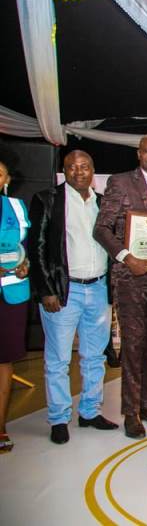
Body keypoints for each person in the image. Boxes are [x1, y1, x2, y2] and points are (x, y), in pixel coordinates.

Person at [93, 134, 147, 439]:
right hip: (130, 275)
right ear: (139, 153)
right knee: (132, 345)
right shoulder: (119, 183)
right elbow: (101, 228)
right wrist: (125, 257)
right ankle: (130, 413)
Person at [28, 150, 118, 445]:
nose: (79, 171)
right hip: (64, 292)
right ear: (64, 171)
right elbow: (37, 248)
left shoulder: (103, 204)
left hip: (99, 288)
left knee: (94, 357)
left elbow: (113, 247)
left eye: (84, 166)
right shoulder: (48, 200)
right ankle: (58, 418)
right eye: (72, 167)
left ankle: (90, 411)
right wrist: (46, 291)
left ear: (93, 170)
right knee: (58, 359)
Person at [0, 161, 30, 454]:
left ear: (7, 178)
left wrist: (24, 266)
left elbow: (24, 250)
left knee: (4, 360)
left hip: (10, 294)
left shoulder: (17, 208)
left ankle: (0, 427)